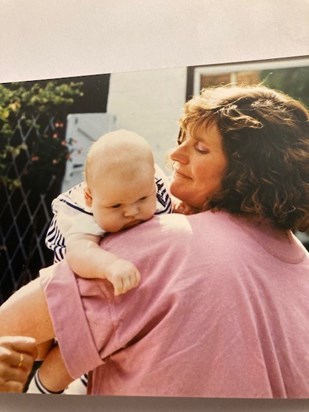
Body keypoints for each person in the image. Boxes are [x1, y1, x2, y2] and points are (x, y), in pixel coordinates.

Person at [0, 84, 308, 398]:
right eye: (182, 139)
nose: (175, 154)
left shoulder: (169, 243)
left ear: (248, 172)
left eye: (200, 149)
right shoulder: (303, 269)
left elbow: (9, 328)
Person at [30, 129, 173, 394]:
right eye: (116, 206)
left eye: (142, 199)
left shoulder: (154, 187)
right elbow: (79, 253)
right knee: (71, 354)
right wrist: (109, 264)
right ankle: (40, 392)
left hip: (125, 303)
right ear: (90, 198)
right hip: (78, 295)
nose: (131, 211)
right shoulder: (84, 213)